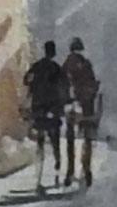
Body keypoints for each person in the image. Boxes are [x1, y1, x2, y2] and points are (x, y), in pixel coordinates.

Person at [25, 40, 68, 189]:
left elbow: (26, 80)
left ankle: (39, 176)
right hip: (52, 107)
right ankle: (56, 171)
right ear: (53, 52)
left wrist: (35, 86)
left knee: (40, 139)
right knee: (55, 140)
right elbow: (64, 87)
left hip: (38, 107)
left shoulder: (36, 66)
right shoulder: (57, 68)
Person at [62, 38, 101, 188]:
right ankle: (86, 169)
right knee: (87, 138)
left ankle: (70, 171)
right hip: (86, 106)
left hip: (71, 105)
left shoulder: (66, 65)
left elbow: (62, 85)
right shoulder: (86, 64)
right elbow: (92, 84)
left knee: (70, 139)